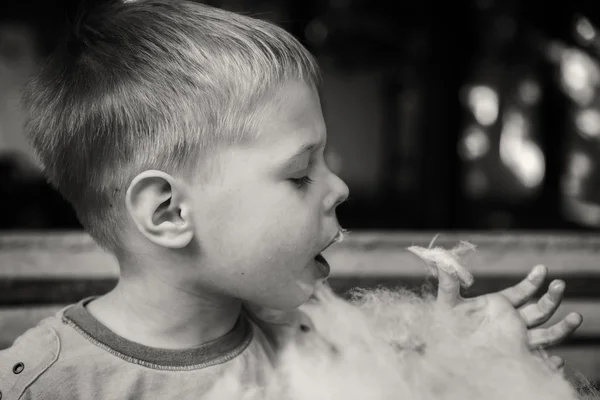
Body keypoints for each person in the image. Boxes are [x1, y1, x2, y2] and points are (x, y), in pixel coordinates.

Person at [0, 1, 582, 398]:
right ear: (170, 213)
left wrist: (449, 353)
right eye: (301, 174)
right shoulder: (46, 381)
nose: (340, 188)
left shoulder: (309, 339)